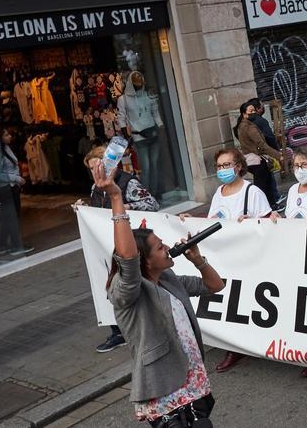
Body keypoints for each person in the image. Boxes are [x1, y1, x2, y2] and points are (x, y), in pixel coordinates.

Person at [96, 161, 224, 426]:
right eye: (158, 247)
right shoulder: (127, 290)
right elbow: (128, 257)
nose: (166, 247)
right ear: (145, 260)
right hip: (164, 384)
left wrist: (198, 259)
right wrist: (116, 197)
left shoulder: (167, 278)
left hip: (191, 374)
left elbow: (215, 286)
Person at [180, 148, 278, 372]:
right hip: (224, 258)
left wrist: (250, 222)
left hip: (247, 258)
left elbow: (267, 224)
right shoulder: (219, 192)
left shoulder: (251, 192)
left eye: (227, 165)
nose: (223, 170)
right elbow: (212, 222)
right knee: (230, 302)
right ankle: (235, 347)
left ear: (239, 166)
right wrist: (190, 221)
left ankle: (264, 342)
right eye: (219, 166)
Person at [77, 143, 160, 353]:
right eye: (91, 169)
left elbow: (151, 204)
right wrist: (85, 209)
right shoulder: (96, 187)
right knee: (109, 285)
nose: (95, 172)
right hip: (106, 243)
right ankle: (118, 330)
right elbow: (98, 210)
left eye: (97, 166)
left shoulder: (127, 182)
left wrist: (124, 205)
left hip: (127, 242)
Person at [117, 72, 164, 195]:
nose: (139, 87)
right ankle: (146, 195)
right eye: (136, 85)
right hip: (138, 136)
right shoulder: (123, 99)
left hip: (152, 132)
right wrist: (126, 134)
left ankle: (155, 192)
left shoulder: (148, 95)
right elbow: (121, 118)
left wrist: (161, 126)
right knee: (146, 167)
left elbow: (155, 112)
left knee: (155, 165)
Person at [0, 127, 31, 257]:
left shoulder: (6, 148)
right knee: (12, 217)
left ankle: (2, 245)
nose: (9, 136)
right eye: (6, 134)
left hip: (10, 187)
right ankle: (16, 245)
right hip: (5, 188)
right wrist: (16, 178)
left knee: (9, 217)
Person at [235, 100, 285, 207]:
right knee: (263, 185)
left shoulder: (240, 126)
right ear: (244, 114)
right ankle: (268, 206)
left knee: (261, 184)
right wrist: (277, 155)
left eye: (254, 110)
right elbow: (262, 145)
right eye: (250, 111)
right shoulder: (249, 127)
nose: (253, 112)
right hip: (257, 161)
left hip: (250, 160)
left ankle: (268, 205)